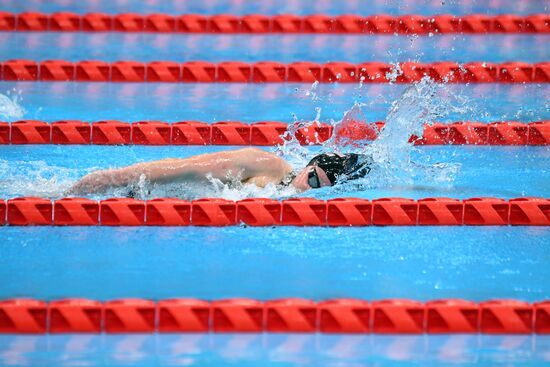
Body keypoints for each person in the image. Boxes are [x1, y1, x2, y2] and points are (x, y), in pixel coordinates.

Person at [68, 147, 372, 196]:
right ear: (309, 165)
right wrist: (112, 179)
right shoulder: (266, 165)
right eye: (313, 178)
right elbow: (184, 168)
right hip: (134, 195)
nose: (308, 189)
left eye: (319, 189)